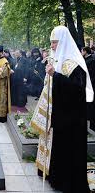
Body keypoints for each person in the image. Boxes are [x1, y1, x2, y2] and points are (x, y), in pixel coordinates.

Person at [32, 26, 93, 193]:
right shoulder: (57, 62)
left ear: (63, 43)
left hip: (71, 119)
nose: (51, 46)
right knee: (58, 150)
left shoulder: (75, 65)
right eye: (51, 43)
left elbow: (77, 91)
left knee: (68, 152)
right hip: (59, 116)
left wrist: (55, 76)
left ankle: (66, 182)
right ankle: (56, 177)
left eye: (54, 43)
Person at [82, 46, 95, 131]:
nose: (81, 53)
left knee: (90, 106)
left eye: (82, 51)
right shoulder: (86, 60)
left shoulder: (91, 61)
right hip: (86, 84)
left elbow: (92, 75)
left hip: (90, 85)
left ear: (85, 51)